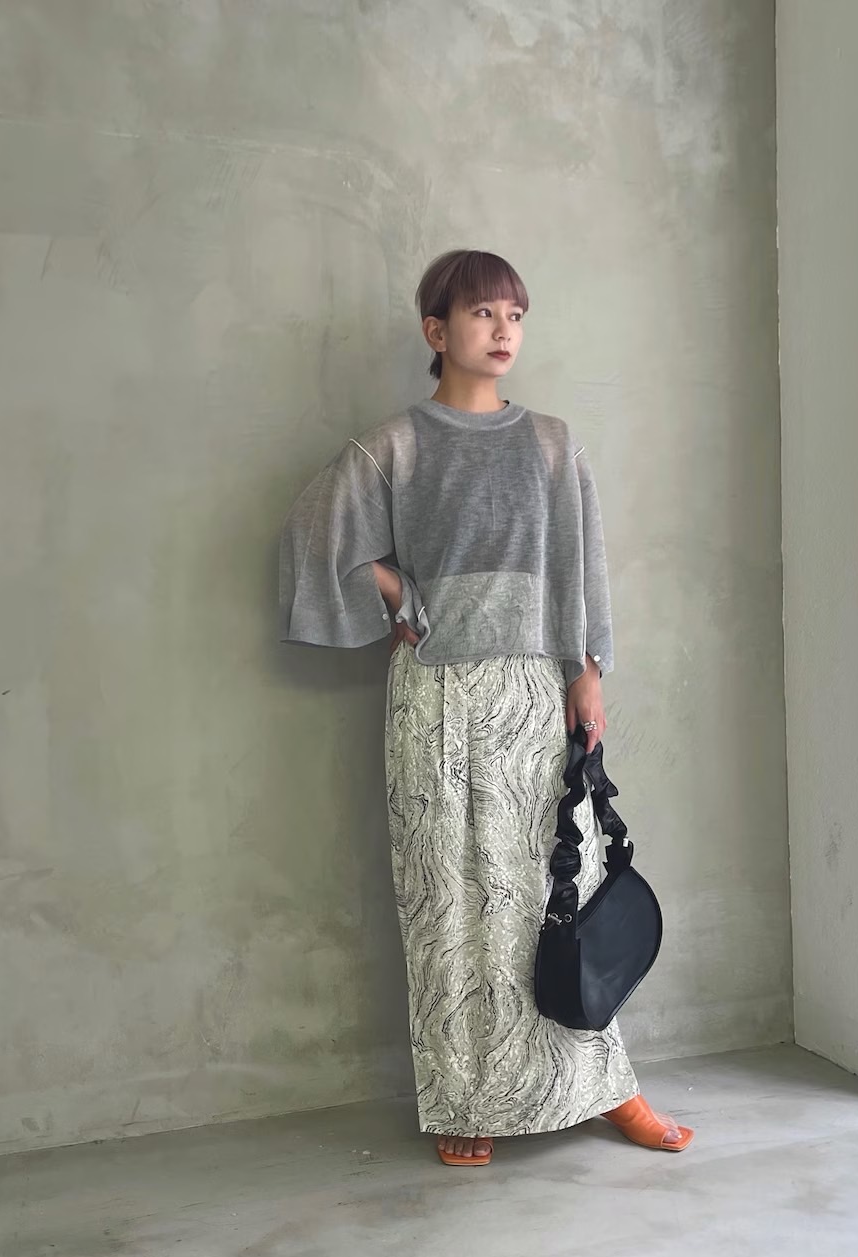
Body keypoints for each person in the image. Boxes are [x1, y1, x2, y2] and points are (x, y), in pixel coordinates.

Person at [279, 249, 693, 1165]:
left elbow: (580, 570)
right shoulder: (395, 445)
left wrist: (587, 675)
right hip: (434, 699)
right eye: (482, 314)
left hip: (535, 693)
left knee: (559, 892)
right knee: (450, 899)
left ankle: (608, 1087)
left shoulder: (550, 443)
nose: (504, 331)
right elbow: (317, 533)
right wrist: (397, 591)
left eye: (515, 315)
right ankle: (468, 1100)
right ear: (437, 330)